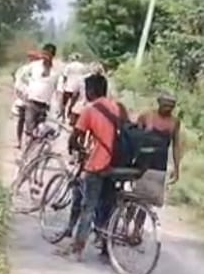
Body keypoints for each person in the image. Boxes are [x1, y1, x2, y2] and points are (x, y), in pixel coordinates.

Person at [57, 73, 124, 260]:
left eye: (87, 89)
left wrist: (75, 148)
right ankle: (105, 249)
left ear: (91, 90)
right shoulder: (116, 107)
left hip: (98, 164)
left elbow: (75, 137)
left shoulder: (90, 109)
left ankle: (77, 250)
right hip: (116, 164)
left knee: (88, 206)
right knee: (107, 206)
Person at [132, 92, 182, 206]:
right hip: (142, 162)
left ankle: (139, 223)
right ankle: (127, 219)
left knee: (148, 200)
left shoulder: (175, 122)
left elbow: (176, 146)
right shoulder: (147, 116)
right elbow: (134, 137)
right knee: (136, 196)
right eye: (165, 105)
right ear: (159, 103)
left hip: (159, 165)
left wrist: (177, 168)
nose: (168, 109)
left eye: (171, 107)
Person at [21, 43, 61, 145]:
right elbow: (21, 77)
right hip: (31, 102)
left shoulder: (55, 72)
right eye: (44, 54)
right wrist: (25, 91)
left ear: (52, 56)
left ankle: (34, 156)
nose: (45, 57)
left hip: (44, 106)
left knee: (40, 133)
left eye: (48, 55)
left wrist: (60, 107)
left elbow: (59, 90)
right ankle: (25, 155)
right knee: (30, 130)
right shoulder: (34, 66)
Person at [12, 50, 41, 147]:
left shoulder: (33, 70)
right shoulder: (26, 69)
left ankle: (23, 142)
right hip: (27, 99)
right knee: (26, 120)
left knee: (25, 120)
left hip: (29, 99)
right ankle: (22, 142)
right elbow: (18, 82)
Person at [60, 53, 88, 119]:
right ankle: (69, 115)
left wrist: (63, 84)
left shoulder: (68, 66)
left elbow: (65, 76)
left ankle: (63, 116)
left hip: (68, 87)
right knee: (73, 103)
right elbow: (84, 76)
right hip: (77, 87)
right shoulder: (82, 66)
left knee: (64, 103)